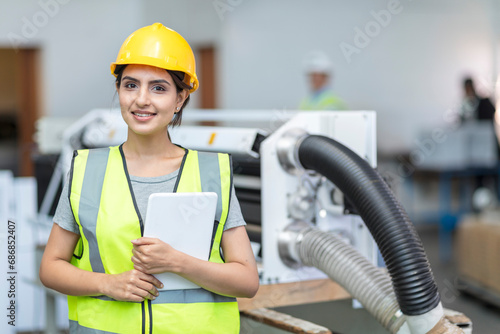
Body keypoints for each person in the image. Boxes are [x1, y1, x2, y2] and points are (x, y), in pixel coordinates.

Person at [39, 23, 259, 334]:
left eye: (158, 87)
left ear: (180, 98)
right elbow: (50, 268)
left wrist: (177, 262)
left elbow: (248, 282)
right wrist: (108, 283)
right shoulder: (88, 170)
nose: (142, 99)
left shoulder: (211, 174)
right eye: (130, 85)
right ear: (119, 91)